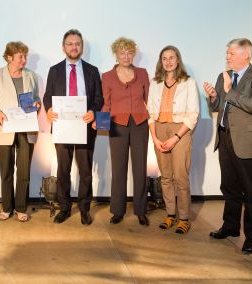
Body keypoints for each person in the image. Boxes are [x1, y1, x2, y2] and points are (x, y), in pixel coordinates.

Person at [204, 38, 252, 254]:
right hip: (224, 138)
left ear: (246, 55)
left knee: (251, 192)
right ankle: (230, 227)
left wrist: (230, 91)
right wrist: (213, 97)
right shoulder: (223, 77)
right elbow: (217, 107)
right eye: (227, 53)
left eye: (231, 53)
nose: (227, 57)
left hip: (247, 142)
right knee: (229, 187)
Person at [43, 29, 103, 225]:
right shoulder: (54, 70)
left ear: (82, 47)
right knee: (63, 170)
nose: (74, 47)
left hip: (85, 126)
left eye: (77, 43)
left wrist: (94, 111)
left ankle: (85, 209)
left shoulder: (92, 71)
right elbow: (47, 97)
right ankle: (65, 207)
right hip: (62, 127)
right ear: (63, 47)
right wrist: (49, 109)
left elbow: (99, 98)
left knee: (85, 170)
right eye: (70, 43)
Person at [94, 37, 150, 226]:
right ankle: (117, 210)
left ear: (134, 54)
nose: (126, 56)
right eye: (122, 52)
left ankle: (141, 210)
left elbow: (149, 99)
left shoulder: (143, 73)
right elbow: (106, 103)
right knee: (118, 169)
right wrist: (100, 123)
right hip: (117, 124)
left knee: (140, 168)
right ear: (116, 55)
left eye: (130, 52)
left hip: (140, 124)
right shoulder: (107, 76)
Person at [147, 45, 199, 234]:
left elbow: (193, 114)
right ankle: (170, 214)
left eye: (172, 57)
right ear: (161, 62)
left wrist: (176, 137)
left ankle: (184, 218)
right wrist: (154, 137)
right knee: (166, 177)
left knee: (180, 177)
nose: (168, 61)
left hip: (181, 131)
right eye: (164, 58)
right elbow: (150, 113)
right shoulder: (155, 83)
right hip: (159, 130)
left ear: (178, 60)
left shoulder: (189, 82)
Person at [0, 41, 41, 222]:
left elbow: (36, 99)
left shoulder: (31, 75)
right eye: (21, 56)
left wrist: (37, 104)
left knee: (24, 171)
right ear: (9, 57)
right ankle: (6, 207)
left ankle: (20, 207)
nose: (24, 60)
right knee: (6, 170)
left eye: (25, 56)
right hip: (5, 128)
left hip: (26, 129)